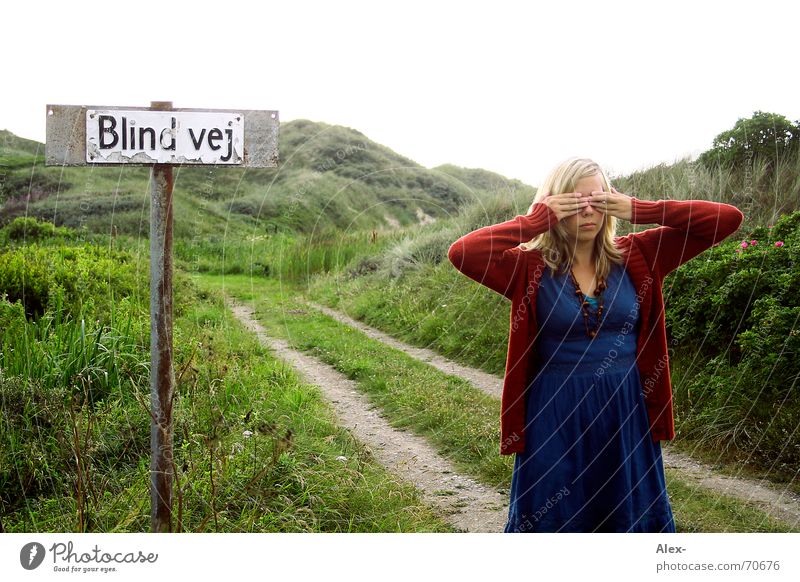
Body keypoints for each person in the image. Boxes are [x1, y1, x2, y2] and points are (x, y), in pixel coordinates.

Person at [447, 157, 744, 532]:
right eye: (574, 201)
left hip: (625, 410)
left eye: (598, 199)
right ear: (554, 204)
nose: (588, 209)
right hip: (554, 412)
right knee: (554, 517)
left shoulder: (641, 254)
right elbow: (463, 252)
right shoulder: (527, 267)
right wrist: (537, 220)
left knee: (628, 513)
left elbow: (727, 219)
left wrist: (641, 209)